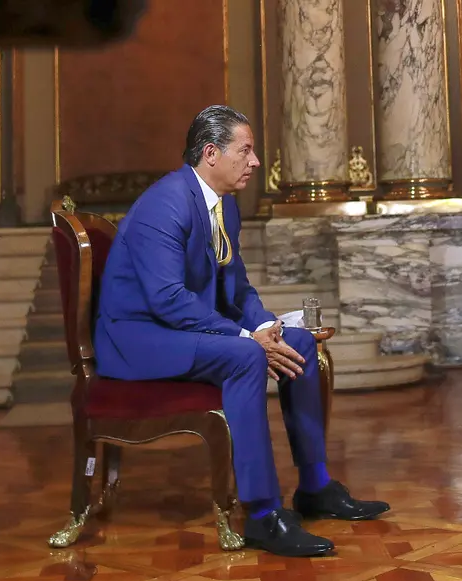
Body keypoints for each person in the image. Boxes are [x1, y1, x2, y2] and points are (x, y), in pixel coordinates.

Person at [93, 105, 390, 557]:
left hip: (182, 327)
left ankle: (314, 486)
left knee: (302, 342)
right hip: (137, 338)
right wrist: (245, 339)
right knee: (246, 356)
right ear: (211, 154)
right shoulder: (165, 203)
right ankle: (262, 514)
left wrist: (267, 327)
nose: (254, 162)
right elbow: (167, 299)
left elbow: (238, 289)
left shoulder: (223, 208)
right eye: (246, 151)